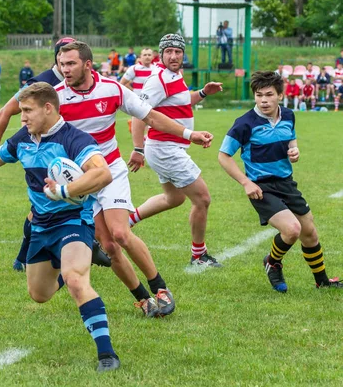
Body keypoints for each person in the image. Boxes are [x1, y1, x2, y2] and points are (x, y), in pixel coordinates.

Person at [0, 82, 121, 372]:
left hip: (72, 220)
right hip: (40, 227)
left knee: (77, 280)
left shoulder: (75, 139)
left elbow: (102, 173)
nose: (22, 117)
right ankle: (72, 262)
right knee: (39, 294)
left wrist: (65, 191)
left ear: (48, 108)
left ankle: (107, 354)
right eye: (21, 111)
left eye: (27, 111)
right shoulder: (25, 138)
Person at [56, 40, 214, 316]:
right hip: (80, 180)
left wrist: (190, 135)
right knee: (107, 245)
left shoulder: (112, 88)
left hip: (110, 171)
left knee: (120, 233)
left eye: (70, 64)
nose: (64, 69)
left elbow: (151, 117)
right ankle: (143, 299)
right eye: (61, 64)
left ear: (88, 65)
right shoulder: (56, 97)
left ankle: (160, 288)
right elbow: (29, 121)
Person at [218, 71, 343, 292]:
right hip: (261, 187)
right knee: (292, 229)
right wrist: (246, 182)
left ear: (280, 95)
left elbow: (291, 140)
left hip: (286, 182)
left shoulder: (288, 115)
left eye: (269, 95)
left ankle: (322, 282)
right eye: (259, 95)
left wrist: (294, 150)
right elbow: (223, 156)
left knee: (309, 232)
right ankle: (272, 262)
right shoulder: (244, 123)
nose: (263, 100)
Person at [0, 37, 90, 273]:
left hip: (76, 150)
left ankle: (78, 253)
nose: (69, 66)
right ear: (58, 58)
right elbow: (5, 112)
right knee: (39, 211)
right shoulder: (43, 83)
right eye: (65, 60)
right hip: (48, 153)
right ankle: (26, 256)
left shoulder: (81, 80)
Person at [128, 34, 223, 268]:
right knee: (202, 199)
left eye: (177, 52)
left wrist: (202, 93)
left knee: (174, 198)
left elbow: (179, 102)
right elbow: (138, 113)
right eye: (168, 51)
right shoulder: (159, 79)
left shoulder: (175, 75)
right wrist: (137, 149)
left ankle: (124, 222)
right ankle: (199, 256)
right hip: (165, 149)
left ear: (183, 54)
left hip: (167, 147)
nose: (173, 56)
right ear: (161, 55)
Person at [120, 48, 155, 133]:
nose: (147, 57)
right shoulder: (134, 68)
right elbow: (121, 84)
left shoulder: (156, 69)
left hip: (153, 101)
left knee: (151, 124)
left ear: (153, 57)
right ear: (140, 57)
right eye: (145, 55)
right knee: (144, 123)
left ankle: (144, 140)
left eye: (149, 55)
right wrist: (130, 94)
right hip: (139, 102)